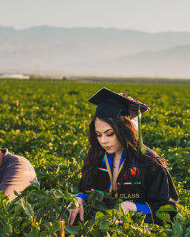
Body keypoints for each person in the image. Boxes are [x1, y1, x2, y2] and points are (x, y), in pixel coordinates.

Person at [67, 87, 178, 226]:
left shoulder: (150, 163)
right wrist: (79, 199)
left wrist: (133, 207)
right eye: (98, 134)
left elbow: (168, 210)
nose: (103, 141)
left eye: (109, 133)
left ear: (124, 129)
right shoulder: (96, 157)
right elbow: (85, 189)